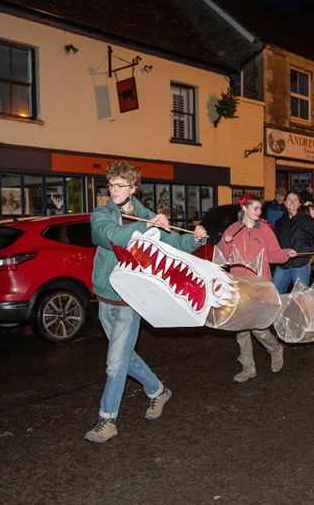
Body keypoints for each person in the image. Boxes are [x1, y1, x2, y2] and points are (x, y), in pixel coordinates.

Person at [85, 161, 208, 443]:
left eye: (119, 186)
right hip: (105, 297)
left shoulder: (149, 216)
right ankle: (158, 391)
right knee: (125, 357)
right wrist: (146, 228)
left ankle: (107, 420)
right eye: (111, 185)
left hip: (131, 298)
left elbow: (174, 244)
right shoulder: (102, 214)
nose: (113, 190)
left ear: (133, 188)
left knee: (115, 364)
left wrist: (196, 240)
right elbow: (109, 237)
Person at [218, 194, 296, 382]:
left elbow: (274, 254)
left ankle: (275, 349)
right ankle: (248, 366)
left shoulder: (265, 230)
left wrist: (286, 254)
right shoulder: (233, 229)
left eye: (261, 209)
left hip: (260, 285)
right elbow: (222, 256)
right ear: (244, 208)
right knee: (242, 328)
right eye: (255, 209)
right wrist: (225, 242)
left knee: (259, 327)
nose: (259, 212)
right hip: (240, 285)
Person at [272, 190, 314, 293]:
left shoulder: (305, 220)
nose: (292, 202)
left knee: (301, 298)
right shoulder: (279, 223)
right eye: (289, 199)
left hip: (301, 265)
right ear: (285, 203)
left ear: (299, 204)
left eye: (295, 200)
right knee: (274, 295)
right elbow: (273, 244)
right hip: (282, 266)